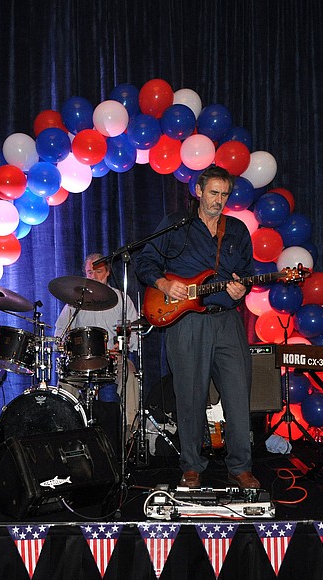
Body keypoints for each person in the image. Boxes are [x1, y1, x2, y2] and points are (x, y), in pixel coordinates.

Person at [135, 165, 258, 490]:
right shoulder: (176, 226)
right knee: (189, 397)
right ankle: (191, 466)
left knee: (238, 394)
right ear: (199, 192)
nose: (219, 200)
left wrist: (240, 289)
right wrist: (164, 283)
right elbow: (144, 262)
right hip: (186, 322)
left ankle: (240, 467)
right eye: (214, 193)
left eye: (225, 194)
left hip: (227, 321)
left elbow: (245, 273)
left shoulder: (237, 231)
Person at [54, 252, 140, 454]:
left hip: (112, 358)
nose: (93, 276)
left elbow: (134, 334)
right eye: (89, 272)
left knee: (130, 373)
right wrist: (67, 346)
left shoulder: (121, 299)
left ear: (108, 272)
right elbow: (60, 333)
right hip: (82, 359)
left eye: (98, 271)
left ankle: (130, 433)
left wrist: (122, 347)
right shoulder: (75, 301)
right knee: (66, 380)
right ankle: (66, 431)